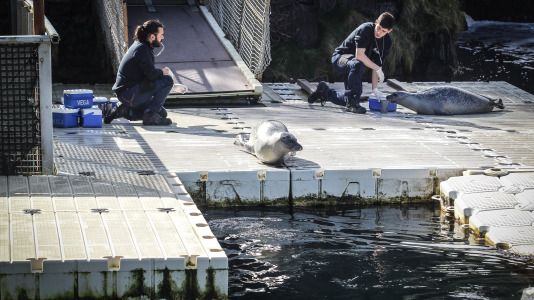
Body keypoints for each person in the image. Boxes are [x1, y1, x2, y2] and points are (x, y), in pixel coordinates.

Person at [308, 12, 395, 114]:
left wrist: (375, 88)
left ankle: (324, 92)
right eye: (379, 27)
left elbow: (377, 65)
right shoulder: (365, 29)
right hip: (340, 58)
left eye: (383, 31)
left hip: (354, 66)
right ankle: (352, 102)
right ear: (376, 22)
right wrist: (377, 68)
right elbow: (360, 55)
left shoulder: (387, 42)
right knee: (358, 64)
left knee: (353, 100)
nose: (379, 32)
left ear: (389, 31)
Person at [106, 19, 173, 125]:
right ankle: (150, 115)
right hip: (128, 94)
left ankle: (127, 112)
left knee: (162, 113)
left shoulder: (140, 46)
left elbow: (148, 75)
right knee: (167, 81)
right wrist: (162, 71)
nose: (162, 38)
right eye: (161, 35)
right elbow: (151, 75)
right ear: (152, 36)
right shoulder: (142, 49)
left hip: (126, 94)